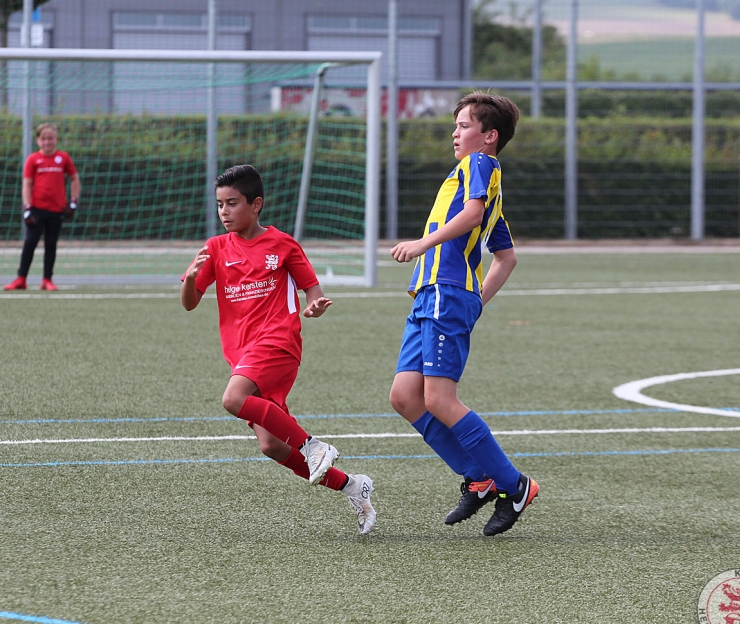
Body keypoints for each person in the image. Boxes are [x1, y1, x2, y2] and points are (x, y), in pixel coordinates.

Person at [181, 164, 376, 535]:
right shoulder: (215, 248)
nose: (224, 212)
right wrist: (190, 280)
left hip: (278, 341)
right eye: (220, 204)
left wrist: (314, 306)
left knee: (233, 399)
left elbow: (313, 290)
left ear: (256, 205)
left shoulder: (282, 244)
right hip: (242, 355)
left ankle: (313, 446)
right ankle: (353, 486)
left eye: (232, 203)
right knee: (271, 445)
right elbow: (189, 303)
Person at [388, 92, 538, 537]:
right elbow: (506, 258)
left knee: (439, 399)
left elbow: (473, 216)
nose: (455, 133)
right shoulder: (477, 181)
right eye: (455, 126)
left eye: (464, 125)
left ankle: (515, 485)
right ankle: (479, 476)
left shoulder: (480, 165)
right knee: (404, 397)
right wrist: (477, 302)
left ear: (489, 136)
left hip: (446, 293)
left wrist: (422, 245)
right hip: (433, 296)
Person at [4, 122, 80, 291]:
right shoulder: (33, 159)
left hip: (57, 209)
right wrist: (27, 207)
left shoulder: (64, 158)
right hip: (37, 209)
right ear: (38, 140)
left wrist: (73, 201)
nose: (47, 142)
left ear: (56, 139)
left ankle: (47, 279)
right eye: (44, 139)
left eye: (50, 138)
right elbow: (27, 184)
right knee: (30, 242)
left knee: (51, 244)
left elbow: (74, 178)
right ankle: (21, 278)